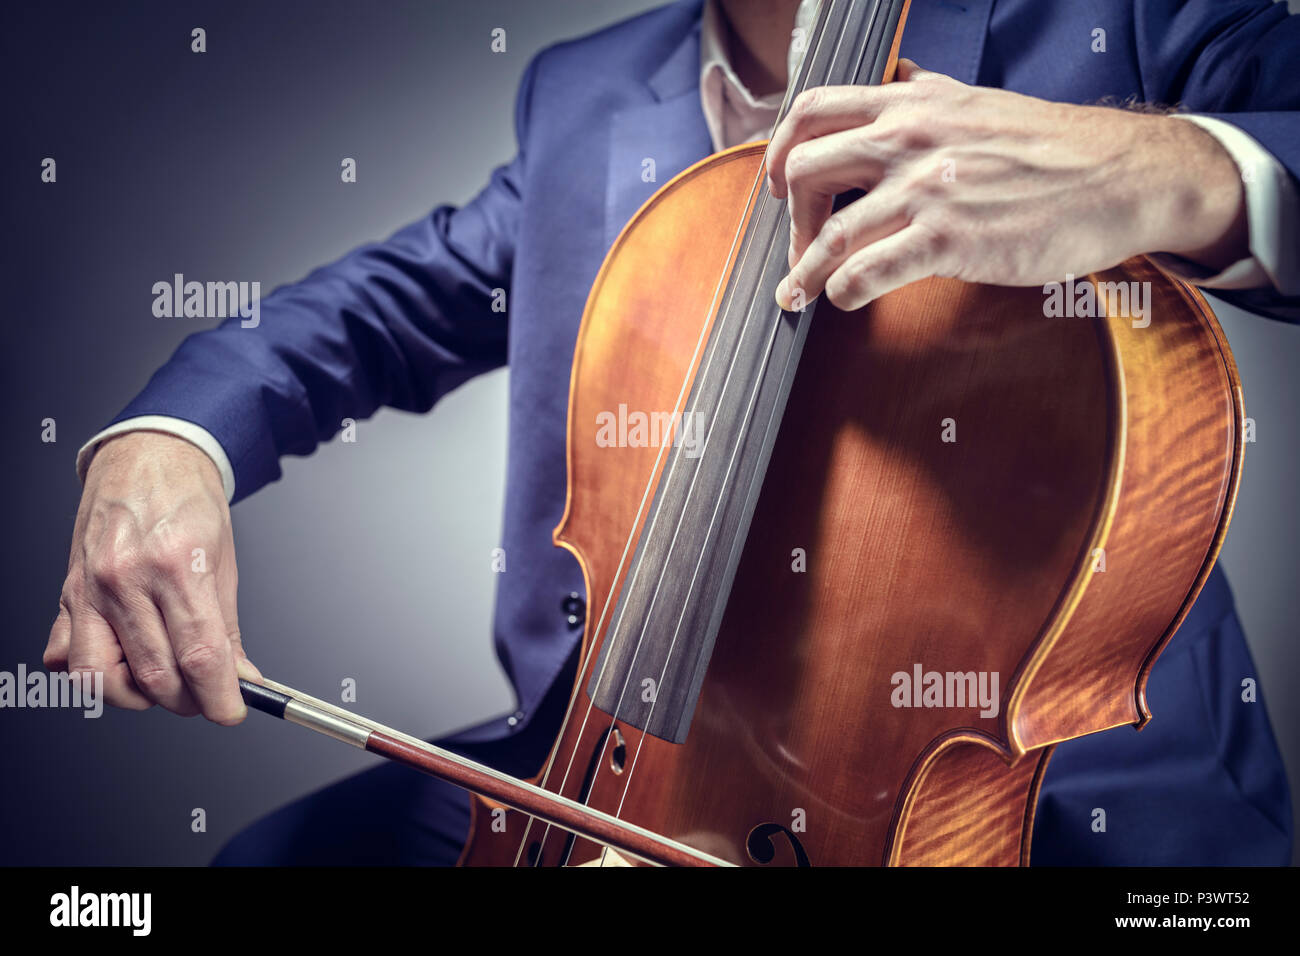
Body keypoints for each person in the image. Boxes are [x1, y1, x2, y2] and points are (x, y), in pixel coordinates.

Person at [45, 0, 1296, 865]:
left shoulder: (1108, 19)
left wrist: (1170, 167)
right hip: (618, 756)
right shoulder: (588, 93)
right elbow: (374, 314)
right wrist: (165, 439)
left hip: (1033, 790)